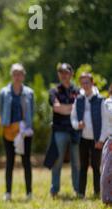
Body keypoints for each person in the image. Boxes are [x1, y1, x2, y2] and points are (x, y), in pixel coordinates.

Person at [0, 64, 35, 201]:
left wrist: (27, 126)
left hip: (25, 131)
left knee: (26, 161)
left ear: (23, 75)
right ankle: (8, 193)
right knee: (10, 161)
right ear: (11, 75)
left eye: (20, 73)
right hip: (9, 130)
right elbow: (1, 110)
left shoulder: (29, 92)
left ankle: (29, 192)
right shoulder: (4, 92)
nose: (17, 76)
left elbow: (32, 110)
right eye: (15, 73)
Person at [44, 63, 81, 197]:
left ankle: (78, 190)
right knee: (57, 161)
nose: (64, 75)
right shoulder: (54, 91)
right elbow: (56, 108)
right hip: (59, 130)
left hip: (75, 131)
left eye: (66, 72)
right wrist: (72, 108)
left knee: (76, 162)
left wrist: (65, 108)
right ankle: (55, 190)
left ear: (71, 74)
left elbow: (78, 108)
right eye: (61, 72)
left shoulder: (77, 91)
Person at [70, 73, 105, 198]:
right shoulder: (78, 99)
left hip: (96, 139)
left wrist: (101, 139)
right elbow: (73, 117)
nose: (85, 85)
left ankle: (97, 192)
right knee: (83, 166)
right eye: (83, 83)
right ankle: (81, 192)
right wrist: (76, 124)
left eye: (87, 82)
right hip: (82, 138)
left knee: (96, 166)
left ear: (92, 83)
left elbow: (105, 121)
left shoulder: (100, 100)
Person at [100, 84, 112, 204]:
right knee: (108, 171)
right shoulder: (108, 102)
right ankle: (107, 198)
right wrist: (100, 139)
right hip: (111, 139)